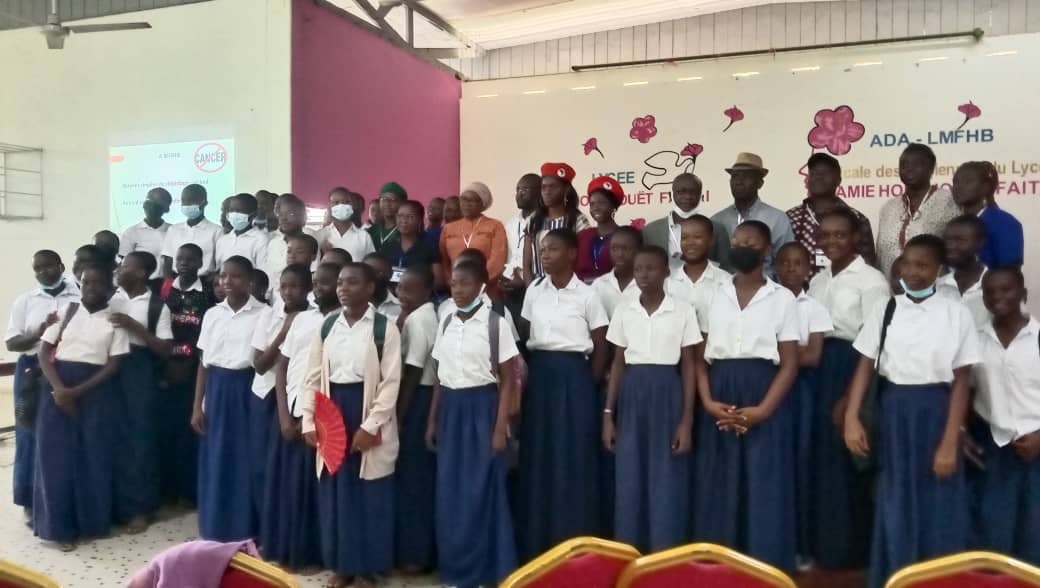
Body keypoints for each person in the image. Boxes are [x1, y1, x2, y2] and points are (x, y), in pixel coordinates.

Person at [844, 234, 978, 588]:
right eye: (908, 263)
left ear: (939, 270)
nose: (913, 272)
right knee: (895, 497)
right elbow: (865, 366)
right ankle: (896, 575)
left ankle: (940, 579)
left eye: (923, 265)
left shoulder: (956, 313)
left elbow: (962, 381)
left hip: (937, 413)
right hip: (894, 412)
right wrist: (851, 418)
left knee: (939, 498)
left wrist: (950, 441)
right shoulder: (886, 309)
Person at [694, 220, 800, 571]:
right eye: (737, 241)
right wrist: (707, 402)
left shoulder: (782, 299)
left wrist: (764, 410)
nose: (742, 247)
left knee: (764, 479)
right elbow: (699, 358)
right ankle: (720, 566)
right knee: (720, 479)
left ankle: (766, 566)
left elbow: (789, 364)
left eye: (751, 242)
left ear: (767, 250)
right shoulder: (713, 295)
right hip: (720, 391)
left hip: (764, 392)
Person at [301, 262, 402, 588]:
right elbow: (313, 376)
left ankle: (368, 568)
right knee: (336, 491)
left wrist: (371, 426)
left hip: (367, 409)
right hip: (333, 412)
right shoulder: (328, 326)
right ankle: (342, 565)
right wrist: (308, 419)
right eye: (340, 283)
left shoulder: (384, 328)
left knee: (368, 492)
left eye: (352, 282)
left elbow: (390, 383)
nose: (343, 288)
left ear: (370, 288)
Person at [806, 208, 890, 570]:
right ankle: (825, 548)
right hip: (820, 367)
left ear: (856, 237)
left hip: (854, 367)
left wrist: (849, 399)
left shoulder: (871, 281)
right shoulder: (818, 280)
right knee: (823, 459)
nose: (832, 241)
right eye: (825, 235)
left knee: (850, 460)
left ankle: (852, 553)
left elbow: (874, 343)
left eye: (840, 234)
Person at [602, 245, 699, 552]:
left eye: (651, 268)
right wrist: (608, 414)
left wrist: (686, 420)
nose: (643, 274)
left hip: (668, 392)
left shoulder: (682, 310)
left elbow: (689, 365)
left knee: (666, 474)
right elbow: (618, 363)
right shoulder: (624, 310)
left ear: (666, 272)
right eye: (638, 269)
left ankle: (664, 550)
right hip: (633, 392)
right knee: (630, 473)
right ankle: (630, 549)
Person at [427, 260, 518, 587]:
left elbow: (508, 381)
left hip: (483, 409)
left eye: (464, 283)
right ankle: (456, 570)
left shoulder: (496, 324)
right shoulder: (447, 321)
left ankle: (486, 570)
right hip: (451, 410)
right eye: (453, 284)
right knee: (451, 490)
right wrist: (432, 420)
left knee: (481, 489)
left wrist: (499, 427)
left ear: (481, 286)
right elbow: (439, 378)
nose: (458, 290)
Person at [519, 227, 608, 561]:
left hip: (574, 376)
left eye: (552, 249)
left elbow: (600, 343)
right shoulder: (534, 291)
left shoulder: (588, 295)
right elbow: (525, 334)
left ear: (571, 254)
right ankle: (537, 541)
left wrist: (588, 381)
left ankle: (573, 540)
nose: (545, 255)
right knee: (540, 452)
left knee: (572, 454)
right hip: (541, 374)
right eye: (543, 250)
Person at [34, 265, 129, 550]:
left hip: (95, 391)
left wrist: (77, 392)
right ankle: (60, 529)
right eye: (86, 282)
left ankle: (91, 523)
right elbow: (43, 353)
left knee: (92, 457)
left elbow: (114, 364)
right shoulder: (67, 311)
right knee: (56, 459)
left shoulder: (114, 321)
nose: (91, 288)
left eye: (98, 283)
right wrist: (60, 390)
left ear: (110, 288)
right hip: (57, 387)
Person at [259, 263, 339, 568]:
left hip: (321, 415)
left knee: (311, 488)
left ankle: (309, 554)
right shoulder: (303, 319)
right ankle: (281, 546)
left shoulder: (343, 323)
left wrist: (309, 419)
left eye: (327, 283)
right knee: (283, 485)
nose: (319, 288)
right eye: (317, 283)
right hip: (289, 409)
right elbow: (281, 367)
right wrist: (283, 415)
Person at [193, 256, 267, 541]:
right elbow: (203, 363)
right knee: (217, 456)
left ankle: (245, 526)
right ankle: (215, 524)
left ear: (249, 281)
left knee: (245, 456)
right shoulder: (213, 314)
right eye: (223, 276)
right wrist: (197, 406)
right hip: (217, 387)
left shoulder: (264, 313)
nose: (227, 282)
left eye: (235, 276)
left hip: (247, 387)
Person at [971, 267, 1040, 564]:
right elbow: (967, 389)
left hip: (1036, 445)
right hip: (994, 445)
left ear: (1023, 293)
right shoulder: (976, 339)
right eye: (990, 291)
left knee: (1033, 528)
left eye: (1006, 289)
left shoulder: (1037, 338)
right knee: (994, 527)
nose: (997, 296)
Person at [5, 250, 80, 518]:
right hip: (32, 371)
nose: (42, 272)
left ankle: (63, 498)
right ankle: (29, 499)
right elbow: (12, 343)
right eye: (37, 269)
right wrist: (39, 332)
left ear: (61, 266)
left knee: (65, 435)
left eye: (48, 266)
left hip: (67, 368)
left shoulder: (78, 296)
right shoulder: (25, 301)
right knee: (29, 435)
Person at [774, 242, 833, 567]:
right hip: (768, 388)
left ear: (809, 269)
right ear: (775, 267)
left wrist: (779, 352)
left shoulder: (813, 307)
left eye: (798, 263)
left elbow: (812, 356)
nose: (791, 269)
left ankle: (800, 547)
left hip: (801, 391)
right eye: (785, 262)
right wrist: (788, 352)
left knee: (799, 462)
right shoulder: (766, 301)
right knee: (772, 465)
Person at [109, 252, 174, 534]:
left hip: (138, 371)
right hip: (108, 368)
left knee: (139, 440)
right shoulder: (109, 297)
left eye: (125, 266)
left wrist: (135, 327)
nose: (119, 269)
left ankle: (140, 508)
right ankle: (112, 504)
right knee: (111, 437)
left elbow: (165, 348)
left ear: (141, 273)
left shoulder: (157, 306)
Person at [250, 266, 310, 535]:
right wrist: (285, 330)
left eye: (294, 286)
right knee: (264, 467)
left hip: (296, 398)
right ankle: (265, 529)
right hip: (266, 395)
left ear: (308, 288)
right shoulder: (269, 314)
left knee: (290, 470)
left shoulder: (314, 317)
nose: (288, 292)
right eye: (283, 286)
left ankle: (288, 531)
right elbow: (260, 365)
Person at [158, 244, 216, 505]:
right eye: (180, 259)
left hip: (194, 369)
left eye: (190, 259)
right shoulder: (164, 289)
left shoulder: (207, 293)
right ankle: (167, 488)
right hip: (165, 367)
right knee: (166, 427)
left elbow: (205, 333)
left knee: (189, 430)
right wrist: (169, 357)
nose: (184, 263)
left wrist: (184, 355)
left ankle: (189, 490)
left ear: (200, 262)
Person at [394, 265, 439, 573]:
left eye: (409, 290)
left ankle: (415, 555)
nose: (402, 295)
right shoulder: (420, 315)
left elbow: (413, 370)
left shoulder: (420, 319)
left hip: (418, 398)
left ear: (426, 291)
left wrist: (399, 414)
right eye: (400, 288)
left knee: (414, 478)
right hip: (421, 396)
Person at [876, 143, 960, 276]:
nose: (909, 169)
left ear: (931, 168)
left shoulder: (949, 202)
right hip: (891, 285)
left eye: (917, 164)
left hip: (935, 284)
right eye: (904, 165)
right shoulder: (889, 207)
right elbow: (880, 254)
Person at [786, 153, 877, 275]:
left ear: (838, 180)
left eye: (825, 173)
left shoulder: (857, 219)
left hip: (847, 285)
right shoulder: (791, 218)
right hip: (802, 287)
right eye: (813, 173)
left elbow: (868, 263)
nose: (818, 176)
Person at [712, 153, 795, 277]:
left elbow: (785, 262)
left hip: (765, 286)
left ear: (760, 183)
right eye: (735, 176)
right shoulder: (717, 220)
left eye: (746, 176)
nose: (739, 181)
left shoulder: (777, 218)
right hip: (724, 287)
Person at [643, 173, 730, 272]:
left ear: (700, 195)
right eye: (681, 192)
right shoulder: (650, 231)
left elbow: (726, 266)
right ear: (671, 195)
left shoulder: (717, 229)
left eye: (693, 192)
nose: (688, 196)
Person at [522, 163, 592, 283]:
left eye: (553, 187)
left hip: (568, 286)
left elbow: (582, 258)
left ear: (566, 189)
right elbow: (526, 263)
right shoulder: (533, 220)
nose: (547, 192)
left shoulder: (578, 220)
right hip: (538, 286)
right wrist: (531, 288)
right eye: (544, 187)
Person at [952, 161, 1023, 268]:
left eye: (967, 181)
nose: (958, 187)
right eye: (955, 182)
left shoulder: (1004, 223)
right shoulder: (953, 222)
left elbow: (1010, 271)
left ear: (986, 187)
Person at [440, 182, 508, 293]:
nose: (466, 204)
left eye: (472, 200)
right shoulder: (448, 228)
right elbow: (443, 260)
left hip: (486, 288)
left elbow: (497, 260)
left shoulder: (495, 226)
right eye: (463, 199)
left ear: (483, 204)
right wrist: (451, 281)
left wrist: (479, 283)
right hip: (455, 288)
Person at [665, 215, 732, 329]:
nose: (690, 242)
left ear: (711, 240)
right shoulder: (667, 281)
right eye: (684, 238)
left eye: (697, 237)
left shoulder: (725, 281)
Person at [161, 184, 224, 279]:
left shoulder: (216, 231)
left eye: (191, 200)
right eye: (184, 201)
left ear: (204, 203)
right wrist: (168, 284)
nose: (187, 204)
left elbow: (220, 263)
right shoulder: (173, 229)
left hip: (204, 281)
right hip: (177, 280)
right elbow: (167, 260)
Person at [939, 214, 989, 328]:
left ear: (980, 242)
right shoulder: (939, 285)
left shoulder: (996, 286)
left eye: (960, 240)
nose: (950, 246)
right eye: (947, 240)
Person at [381, 200, 443, 291]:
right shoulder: (388, 245)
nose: (404, 221)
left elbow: (439, 282)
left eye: (410, 217)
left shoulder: (429, 246)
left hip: (419, 295)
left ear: (419, 220)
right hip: (391, 295)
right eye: (400, 216)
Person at [265, 193, 319, 295]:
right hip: (275, 299)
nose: (283, 218)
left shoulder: (309, 243)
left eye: (290, 214)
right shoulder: (273, 243)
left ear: (302, 217)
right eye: (281, 214)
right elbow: (270, 275)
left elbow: (313, 273)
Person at [500, 174, 541, 307]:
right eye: (517, 190)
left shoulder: (543, 222)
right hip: (510, 287)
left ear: (539, 192)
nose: (519, 194)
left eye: (525, 190)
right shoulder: (511, 223)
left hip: (535, 285)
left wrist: (524, 279)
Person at [576, 176, 626, 282]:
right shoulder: (582, 236)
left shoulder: (625, 236)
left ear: (614, 207)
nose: (596, 208)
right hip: (582, 290)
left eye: (602, 203)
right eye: (592, 204)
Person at [120, 187, 172, 281]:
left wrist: (168, 284)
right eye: (149, 202)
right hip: (141, 283)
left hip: (168, 282)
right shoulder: (131, 232)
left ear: (166, 209)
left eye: (157, 204)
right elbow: (125, 263)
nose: (152, 207)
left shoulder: (173, 230)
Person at [590, 226, 642, 318]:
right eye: (614, 249)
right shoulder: (599, 285)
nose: (619, 254)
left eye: (626, 249)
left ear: (639, 251)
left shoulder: (649, 285)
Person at [320, 187, 376, 262]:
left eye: (347, 202)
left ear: (353, 206)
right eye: (336, 202)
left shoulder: (364, 236)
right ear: (329, 206)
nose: (341, 206)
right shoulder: (321, 235)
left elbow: (371, 264)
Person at [215, 193, 268, 269]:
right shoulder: (222, 240)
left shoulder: (260, 240)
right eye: (231, 210)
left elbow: (262, 271)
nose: (234, 214)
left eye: (239, 211)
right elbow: (219, 268)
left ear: (253, 215)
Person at [368, 182, 408, 252]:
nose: (387, 203)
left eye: (392, 199)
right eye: (383, 199)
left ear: (402, 203)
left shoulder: (408, 232)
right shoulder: (371, 231)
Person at [363, 253, 402, 320]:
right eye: (369, 273)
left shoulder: (402, 308)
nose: (375, 277)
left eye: (380, 273)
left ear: (391, 274)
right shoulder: (351, 305)